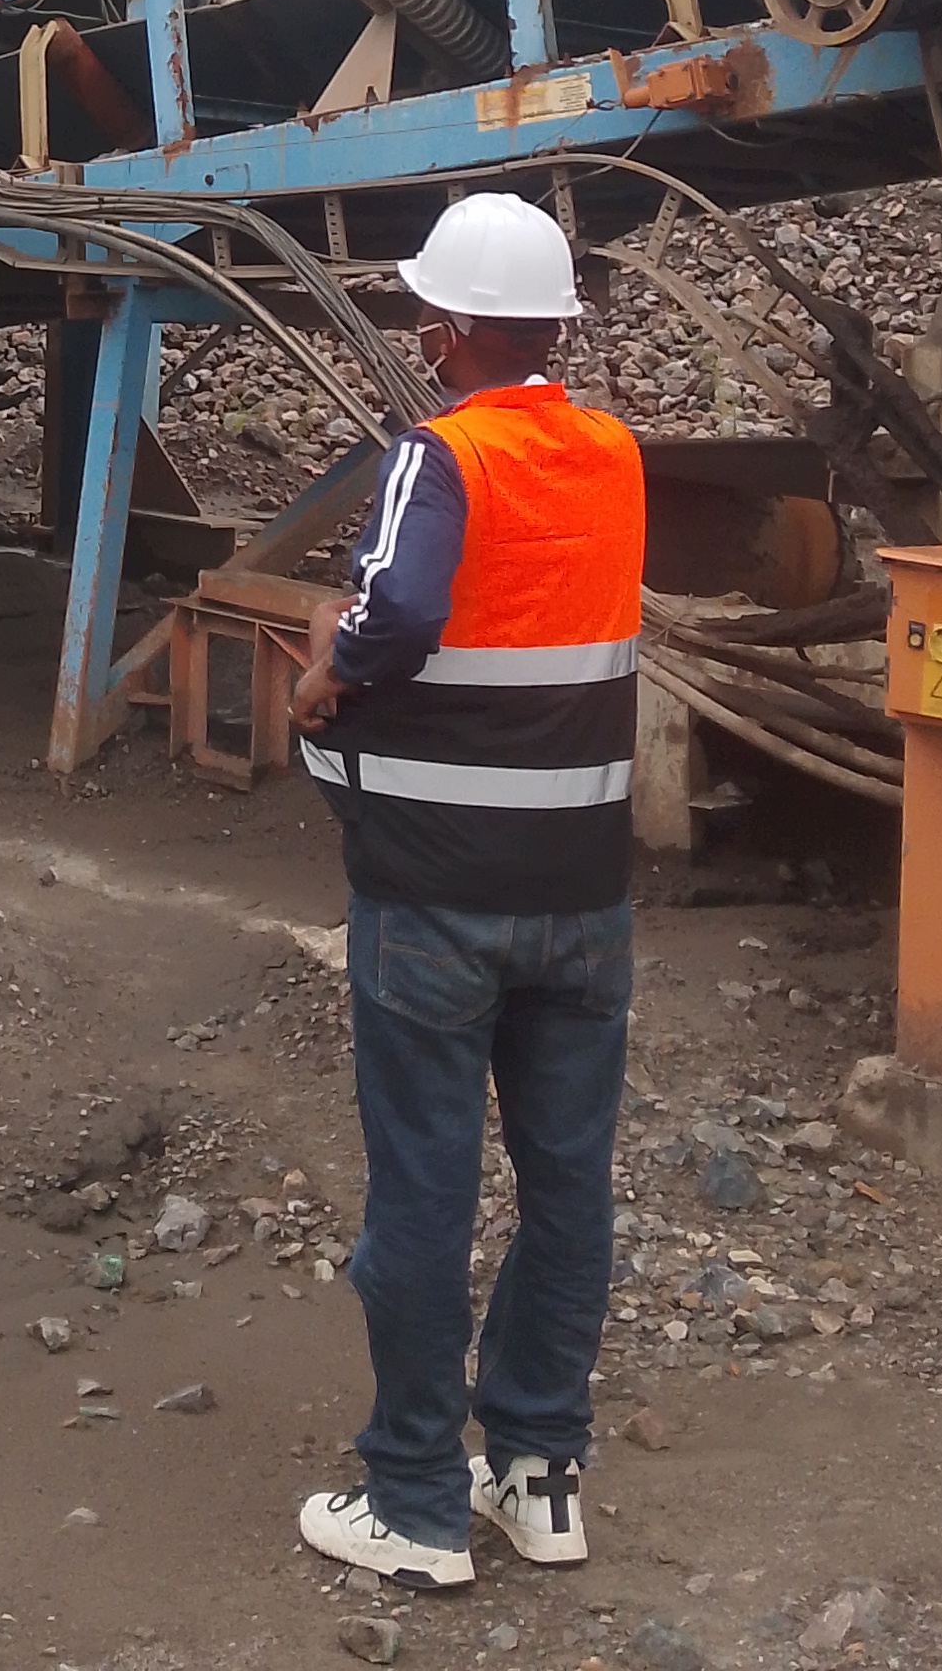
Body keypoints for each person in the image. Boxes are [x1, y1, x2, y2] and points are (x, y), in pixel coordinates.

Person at [284, 190, 643, 1592]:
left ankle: (418, 1503)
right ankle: (539, 1475)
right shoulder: (612, 454)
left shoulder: (439, 457)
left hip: (434, 897)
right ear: (552, 323)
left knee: (424, 1198)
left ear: (442, 329)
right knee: (566, 1187)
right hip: (583, 899)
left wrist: (328, 664)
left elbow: (404, 609)